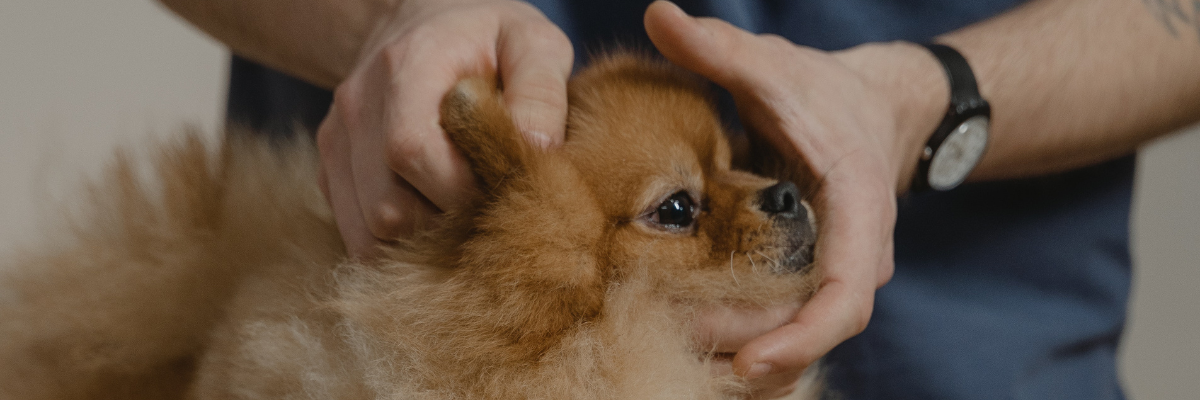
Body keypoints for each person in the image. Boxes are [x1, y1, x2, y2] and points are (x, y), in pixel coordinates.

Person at [158, 0, 1200, 398]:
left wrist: (931, 97)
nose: (769, 198)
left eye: (738, 171)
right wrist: (384, 16)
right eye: (679, 208)